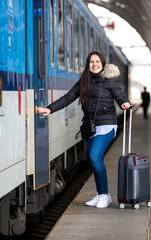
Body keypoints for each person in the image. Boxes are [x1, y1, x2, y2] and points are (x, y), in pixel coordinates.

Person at [37, 51, 130, 209]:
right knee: (96, 160)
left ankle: (105, 195)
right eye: (91, 62)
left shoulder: (110, 80)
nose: (94, 64)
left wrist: (124, 103)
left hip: (107, 124)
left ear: (103, 63)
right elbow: (68, 98)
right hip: (89, 126)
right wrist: (49, 109)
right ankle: (101, 194)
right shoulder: (84, 81)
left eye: (97, 62)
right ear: (88, 64)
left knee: (95, 157)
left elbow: (119, 95)